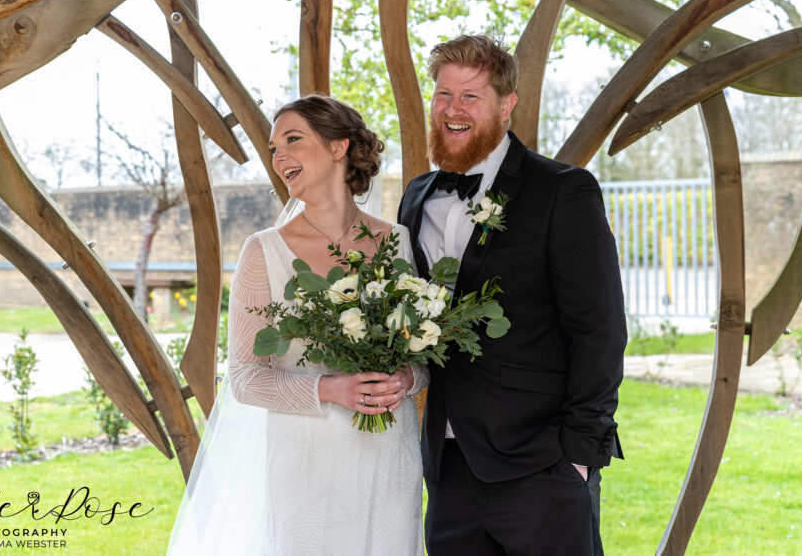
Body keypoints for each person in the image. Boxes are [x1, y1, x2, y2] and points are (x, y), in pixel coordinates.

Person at [168, 95, 427, 555]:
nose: (279, 156)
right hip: (306, 462)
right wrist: (329, 389)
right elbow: (245, 378)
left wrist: (406, 378)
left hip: (390, 455)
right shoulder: (262, 251)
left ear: (337, 147)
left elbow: (423, 355)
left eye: (292, 140)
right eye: (273, 149)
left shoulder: (398, 240)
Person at [398, 35, 627, 555]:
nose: (453, 110)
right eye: (443, 95)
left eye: (470, 96)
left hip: (541, 460)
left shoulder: (562, 191)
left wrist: (580, 455)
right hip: (448, 464)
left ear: (507, 105)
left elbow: (600, 329)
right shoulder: (416, 195)